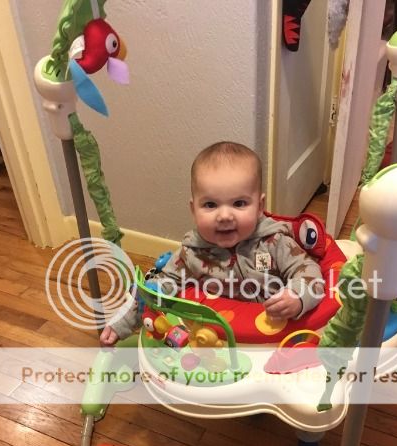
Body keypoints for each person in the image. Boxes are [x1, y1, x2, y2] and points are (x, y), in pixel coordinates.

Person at [100, 141, 324, 346]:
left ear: (259, 206)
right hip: (219, 342)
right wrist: (123, 321)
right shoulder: (191, 254)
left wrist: (297, 296)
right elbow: (158, 287)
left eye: (239, 203)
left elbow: (310, 272)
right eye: (210, 205)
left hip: (275, 337)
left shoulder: (275, 242)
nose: (224, 215)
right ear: (193, 209)